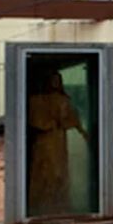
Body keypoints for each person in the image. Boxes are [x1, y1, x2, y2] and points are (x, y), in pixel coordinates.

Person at [27, 71, 89, 216]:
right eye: (52, 80)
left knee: (59, 173)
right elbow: (34, 120)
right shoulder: (36, 100)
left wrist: (82, 132)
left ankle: (58, 206)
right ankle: (42, 206)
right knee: (44, 172)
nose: (55, 83)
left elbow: (72, 118)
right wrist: (49, 124)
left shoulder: (63, 100)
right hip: (44, 141)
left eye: (57, 80)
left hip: (58, 140)